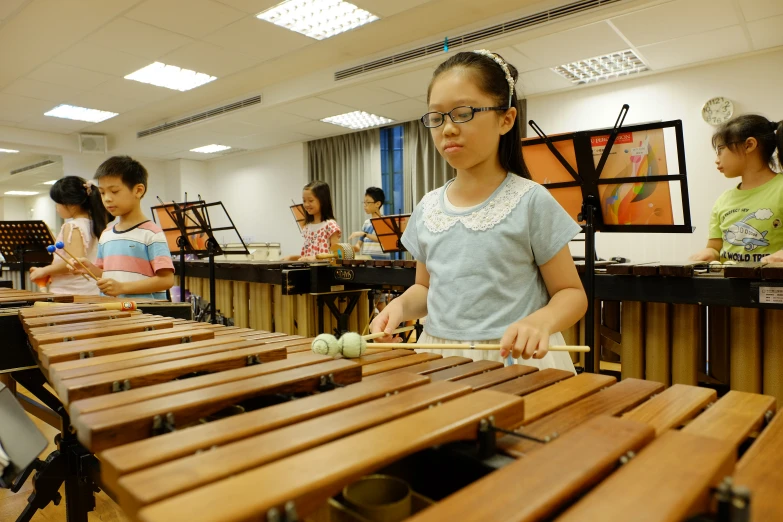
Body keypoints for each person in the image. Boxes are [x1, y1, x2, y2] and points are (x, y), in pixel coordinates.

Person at [370, 50, 587, 371]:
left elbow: (571, 293)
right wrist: (400, 306)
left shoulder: (530, 200)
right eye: (437, 117)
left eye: (463, 113)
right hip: (440, 358)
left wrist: (542, 321)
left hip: (515, 361)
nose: (447, 128)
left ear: (506, 119)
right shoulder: (428, 207)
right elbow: (424, 289)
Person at [72, 156, 174, 299]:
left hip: (144, 316)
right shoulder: (106, 234)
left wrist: (122, 288)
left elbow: (166, 280)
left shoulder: (151, 234)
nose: (107, 198)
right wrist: (90, 269)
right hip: (113, 311)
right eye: (102, 192)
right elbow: (107, 275)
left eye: (114, 191)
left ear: (138, 190)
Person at [690, 114, 783, 264]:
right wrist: (710, 252)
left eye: (721, 149)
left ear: (749, 145)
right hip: (731, 286)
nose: (717, 159)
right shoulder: (724, 200)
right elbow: (715, 247)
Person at [29, 176, 109, 295]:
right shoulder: (96, 224)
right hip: (89, 289)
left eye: (58, 203)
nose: (56, 208)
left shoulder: (73, 226)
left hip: (70, 292)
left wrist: (44, 271)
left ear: (72, 205)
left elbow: (74, 263)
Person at [285, 180, 341, 262]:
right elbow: (307, 256)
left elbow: (338, 255)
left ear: (322, 201)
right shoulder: (307, 228)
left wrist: (315, 258)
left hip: (324, 272)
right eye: (304, 201)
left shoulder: (330, 226)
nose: (306, 204)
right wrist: (292, 258)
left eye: (310, 200)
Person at [350, 187, 390, 260]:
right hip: (367, 261)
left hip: (382, 262)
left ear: (378, 204)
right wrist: (353, 248)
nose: (365, 205)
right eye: (364, 202)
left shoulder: (385, 221)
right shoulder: (366, 223)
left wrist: (365, 234)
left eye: (368, 202)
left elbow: (382, 239)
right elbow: (359, 244)